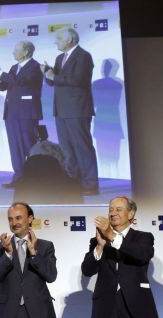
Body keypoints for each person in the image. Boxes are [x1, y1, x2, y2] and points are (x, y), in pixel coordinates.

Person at [42, 28, 99, 195]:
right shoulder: (60, 57)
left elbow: (79, 80)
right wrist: (47, 74)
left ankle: (90, 185)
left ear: (70, 40)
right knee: (67, 148)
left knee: (82, 147)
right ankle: (73, 182)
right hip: (61, 110)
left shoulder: (83, 56)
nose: (55, 42)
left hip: (78, 109)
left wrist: (54, 76)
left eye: (58, 39)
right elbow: (54, 82)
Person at [0, 41, 43, 188]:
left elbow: (21, 81)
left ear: (26, 52)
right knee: (15, 146)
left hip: (27, 112)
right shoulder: (14, 67)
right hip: (11, 112)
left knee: (28, 145)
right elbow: (4, 86)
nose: (13, 53)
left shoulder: (35, 67)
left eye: (16, 50)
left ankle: (33, 179)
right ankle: (18, 178)